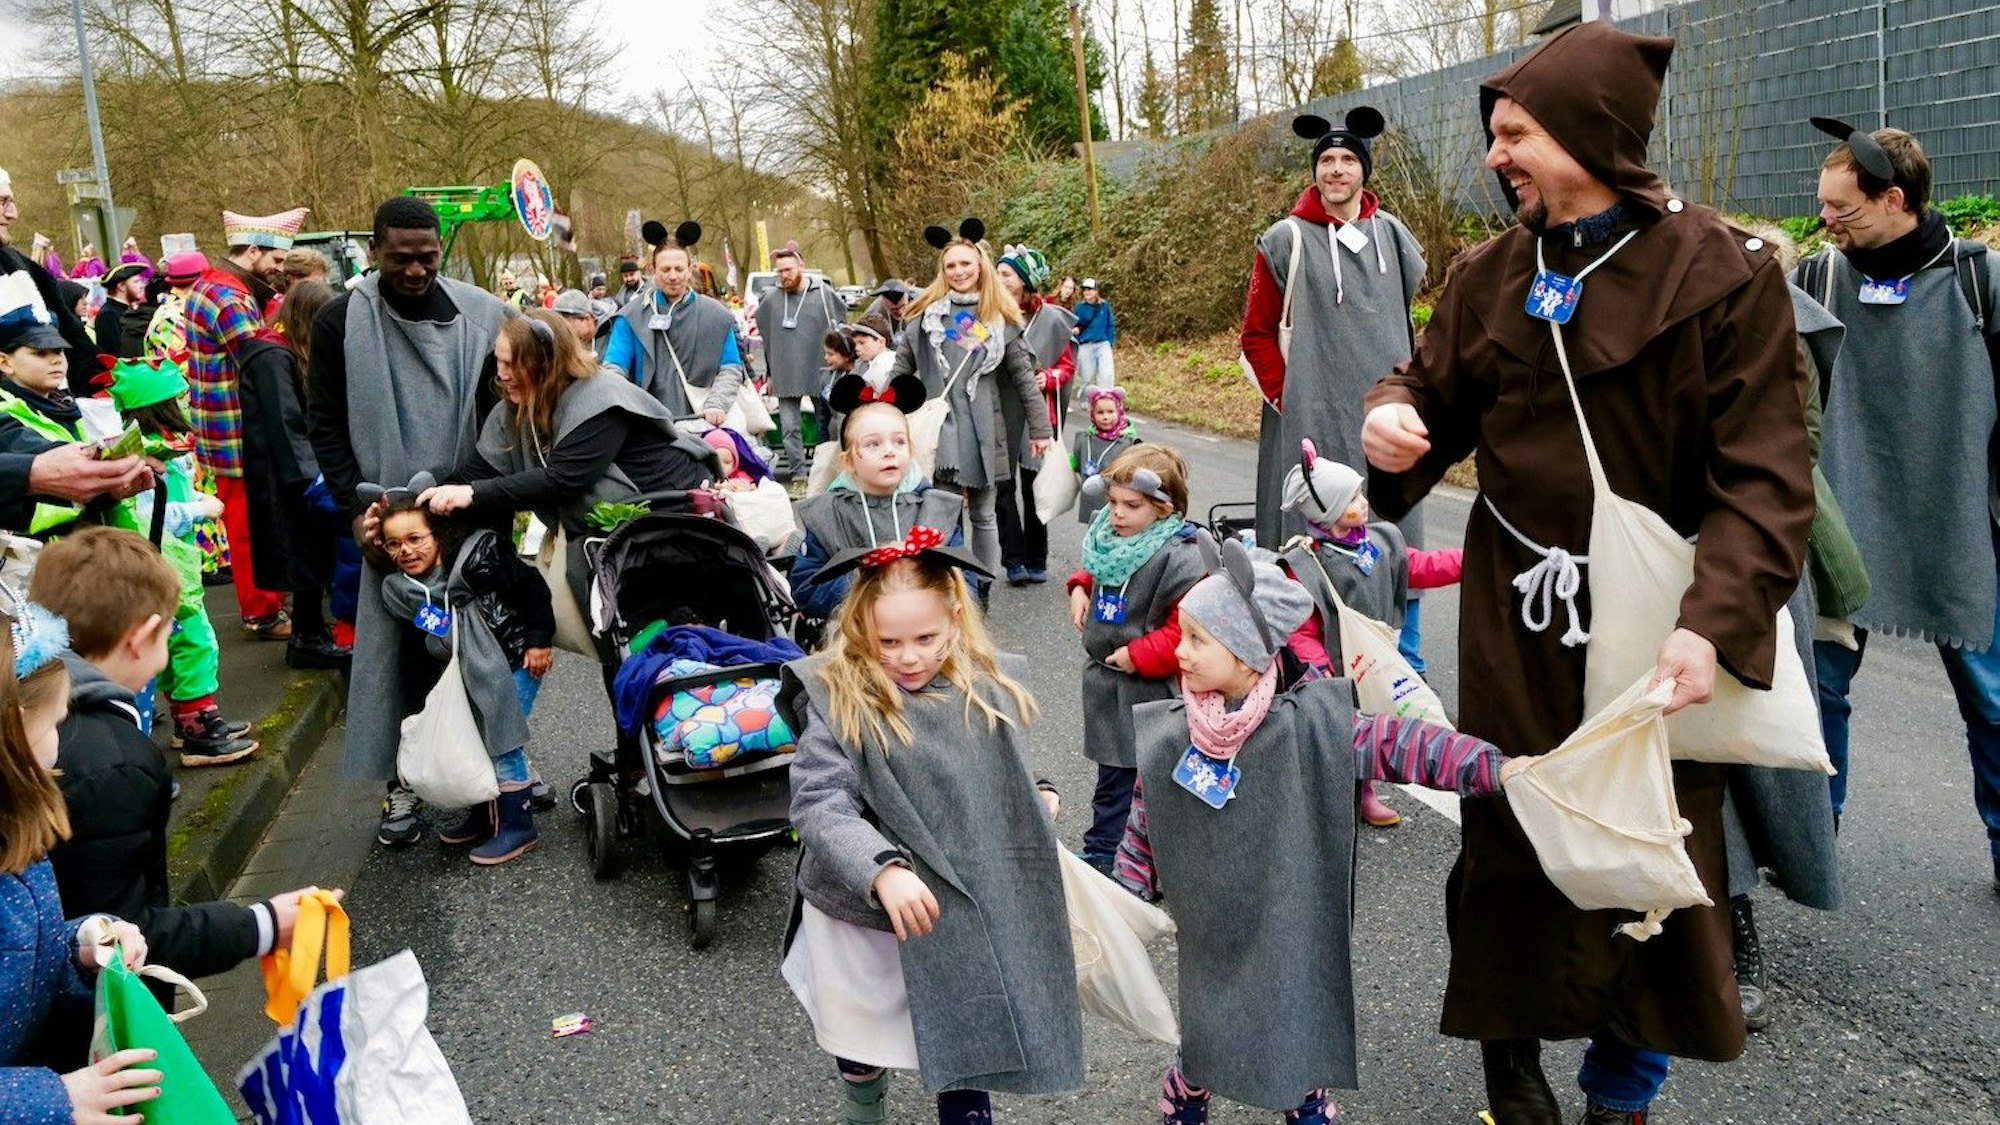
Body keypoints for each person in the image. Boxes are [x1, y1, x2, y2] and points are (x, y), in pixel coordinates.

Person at [1359, 23, 1812, 1123]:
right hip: (1515, 616)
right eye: (1495, 134)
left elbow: (1761, 479)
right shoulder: (1488, 273)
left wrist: (1711, 625)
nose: (1493, 155)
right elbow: (1427, 388)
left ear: (1588, 133)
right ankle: (1506, 1069)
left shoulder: (1722, 275)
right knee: (1512, 840)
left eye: (1513, 132)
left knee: (1652, 851)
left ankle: (1621, 1096)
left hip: (1657, 626)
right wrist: (1395, 422)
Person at [1116, 533, 1522, 1125]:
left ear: (1250, 653)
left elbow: (1406, 745)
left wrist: (1494, 767)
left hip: (1289, 917)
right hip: (1211, 922)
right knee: (1208, 1025)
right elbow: (1145, 816)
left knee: (1290, 1029)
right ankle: (1189, 1089)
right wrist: (1124, 899)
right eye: (1183, 636)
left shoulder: (1316, 723)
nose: (1180, 653)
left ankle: (1305, 1101)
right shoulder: (1175, 729)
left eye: (1198, 640)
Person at [778, 544, 1081, 1125]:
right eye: (887, 643)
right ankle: (864, 1100)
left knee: (971, 1027)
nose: (908, 658)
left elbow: (1002, 760)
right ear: (859, 626)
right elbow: (820, 801)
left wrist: (1035, 791)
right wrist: (881, 869)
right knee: (864, 1035)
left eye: (925, 639)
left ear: (955, 619)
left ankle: (966, 1112)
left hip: (955, 905)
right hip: (863, 910)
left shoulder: (984, 686)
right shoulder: (839, 697)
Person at [1793, 119, 2000, 891]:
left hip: (1960, 528)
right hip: (1842, 533)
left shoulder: (1980, 280)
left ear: (1897, 199)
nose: (1826, 220)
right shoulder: (1815, 280)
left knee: (1994, 700)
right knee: (1819, 698)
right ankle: (1815, 845)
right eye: (1823, 205)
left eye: (1842, 207)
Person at [33, 528, 331, 1058]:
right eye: (171, 630)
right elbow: (120, 938)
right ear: (142, 635)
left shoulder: (55, 714)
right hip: (89, 1050)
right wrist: (259, 924)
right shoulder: (114, 764)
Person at [418, 308, 715, 814]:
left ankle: (687, 741)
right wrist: (417, 498)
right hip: (611, 544)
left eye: (513, 364)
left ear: (547, 361)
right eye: (498, 364)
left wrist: (468, 494)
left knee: (661, 642)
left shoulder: (600, 400)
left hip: (667, 535)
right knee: (618, 646)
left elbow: (562, 481)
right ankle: (639, 755)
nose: (503, 376)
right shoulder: (518, 410)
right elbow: (473, 471)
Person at [308, 195, 514, 848]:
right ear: (374, 252)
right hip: (389, 525)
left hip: (467, 510)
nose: (418, 271)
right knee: (397, 656)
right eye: (402, 259)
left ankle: (488, 768)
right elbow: (326, 425)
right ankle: (405, 781)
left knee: (477, 647)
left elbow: (502, 417)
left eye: (428, 257)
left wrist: (476, 496)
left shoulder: (483, 316)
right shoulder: (341, 321)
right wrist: (356, 511)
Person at [1240, 110, 1432, 673]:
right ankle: (1308, 666)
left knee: (1396, 532)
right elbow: (1255, 335)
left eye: (1348, 159)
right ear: (1314, 170)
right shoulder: (1284, 239)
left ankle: (1404, 663)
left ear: (1364, 171)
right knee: (1308, 538)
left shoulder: (1392, 236)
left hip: (1386, 418)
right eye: (1327, 159)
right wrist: (1289, 399)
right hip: (1310, 418)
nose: (1337, 169)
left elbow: (1408, 321)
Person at [0, 593, 164, 1125]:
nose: (62, 746)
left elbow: (16, 962)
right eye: (55, 725)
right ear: (13, 732)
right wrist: (50, 1100)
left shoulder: (15, 826)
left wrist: (82, 945)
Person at [1278, 441, 1464, 828]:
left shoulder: (1380, 542)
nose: (1363, 503)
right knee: (1341, 734)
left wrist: (1468, 560)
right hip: (1335, 669)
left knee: (1374, 726)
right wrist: (1319, 669)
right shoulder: (1306, 564)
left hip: (1376, 659)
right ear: (1327, 513)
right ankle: (1339, 796)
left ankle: (1363, 790)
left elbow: (1421, 567)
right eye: (1351, 499)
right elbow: (1302, 628)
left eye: (1360, 494)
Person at [98, 356, 261, 764]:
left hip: (169, 563)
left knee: (170, 642)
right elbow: (152, 515)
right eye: (181, 397)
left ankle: (187, 716)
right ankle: (199, 728)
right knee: (195, 641)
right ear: (161, 406)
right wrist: (198, 510)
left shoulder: (159, 452)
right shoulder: (149, 462)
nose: (188, 404)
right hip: (167, 566)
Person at [375, 490, 551, 864]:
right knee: (476, 738)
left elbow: (532, 587)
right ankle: (484, 816)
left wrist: (537, 640)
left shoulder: (479, 557)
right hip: (471, 668)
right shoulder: (407, 590)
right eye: (394, 544)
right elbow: (436, 633)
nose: (405, 550)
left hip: (515, 658)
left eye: (415, 538)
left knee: (501, 741)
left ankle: (518, 826)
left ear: (437, 534)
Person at [1064, 445, 1203, 876]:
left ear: (1163, 509)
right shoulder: (1114, 538)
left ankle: (1150, 860)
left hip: (1149, 689)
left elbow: (1187, 629)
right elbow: (1098, 566)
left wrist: (1140, 653)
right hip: (1107, 683)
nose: (1117, 514)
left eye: (1132, 505)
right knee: (1112, 773)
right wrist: (1079, 587)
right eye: (1112, 502)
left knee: (1147, 778)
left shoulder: (1179, 557)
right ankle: (1105, 847)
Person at [888, 226, 1052, 577]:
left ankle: (982, 586)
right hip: (940, 430)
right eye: (951, 266)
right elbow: (901, 372)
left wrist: (1041, 430)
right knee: (942, 512)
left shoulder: (1000, 319)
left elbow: (1024, 378)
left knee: (984, 514)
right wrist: (881, 413)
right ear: (941, 271)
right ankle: (947, 586)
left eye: (966, 263)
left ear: (980, 266)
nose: (959, 271)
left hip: (985, 428)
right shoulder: (924, 317)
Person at [184, 206, 308, 641]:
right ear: (252, 250)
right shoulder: (229, 298)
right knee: (247, 525)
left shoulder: (215, 286)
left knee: (251, 520)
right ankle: (261, 612)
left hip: (224, 428)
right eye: (275, 260)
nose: (279, 270)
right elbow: (261, 359)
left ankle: (267, 601)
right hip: (235, 431)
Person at [790, 374, 966, 626]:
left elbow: (965, 582)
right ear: (848, 461)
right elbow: (806, 587)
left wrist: (924, 582)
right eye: (873, 444)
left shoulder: (938, 510)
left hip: (925, 640)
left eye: (899, 441)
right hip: (854, 638)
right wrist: (868, 580)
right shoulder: (827, 515)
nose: (889, 451)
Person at [238, 281, 348, 670]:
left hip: (293, 471)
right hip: (284, 476)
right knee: (302, 553)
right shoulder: (271, 356)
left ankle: (312, 632)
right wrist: (311, 480)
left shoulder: (279, 352)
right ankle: (306, 638)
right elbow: (285, 423)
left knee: (311, 553)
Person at [0, 271, 156, 533]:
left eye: (59, 351)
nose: (56, 360)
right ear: (5, 362)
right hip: (39, 553)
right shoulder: (6, 407)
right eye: (40, 353)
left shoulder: (66, 405)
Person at [993, 244, 1075, 587]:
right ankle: (1012, 560)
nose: (998, 279)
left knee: (1032, 482)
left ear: (1024, 281)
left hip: (1035, 410)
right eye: (996, 273)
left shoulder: (1052, 318)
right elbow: (964, 351)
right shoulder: (988, 315)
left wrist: (1049, 377)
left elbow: (1067, 365)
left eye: (1006, 274)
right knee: (1001, 484)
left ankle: (1036, 557)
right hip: (997, 407)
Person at [605, 234, 746, 426]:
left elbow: (730, 367)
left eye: (679, 269)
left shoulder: (716, 316)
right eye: (665, 269)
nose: (673, 276)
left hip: (704, 421)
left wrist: (717, 404)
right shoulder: (630, 317)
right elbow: (614, 368)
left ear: (690, 270)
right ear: (653, 270)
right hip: (648, 426)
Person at [0, 170, 99, 398]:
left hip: (47, 414)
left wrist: (103, 380)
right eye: (3, 201)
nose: (13, 214)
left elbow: (72, 336)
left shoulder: (23, 268)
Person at [756, 246, 848, 482]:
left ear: (801, 268)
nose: (783, 275)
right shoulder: (770, 299)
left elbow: (842, 328)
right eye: (779, 271)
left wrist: (842, 364)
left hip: (820, 367)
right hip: (785, 370)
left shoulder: (824, 295)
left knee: (825, 423)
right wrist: (769, 372)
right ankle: (798, 475)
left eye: (788, 270)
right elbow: (766, 339)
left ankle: (824, 472)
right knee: (789, 427)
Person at [1071, 386, 1140, 526]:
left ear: (1119, 411)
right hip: (1091, 497)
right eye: (1100, 412)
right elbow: (1076, 463)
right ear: (1092, 414)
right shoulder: (1085, 439)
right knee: (1094, 528)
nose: (1105, 417)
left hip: (1117, 499)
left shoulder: (1127, 442)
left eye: (1110, 412)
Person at [92, 263, 147, 361]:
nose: (142, 285)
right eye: (136, 282)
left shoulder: (128, 310)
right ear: (121, 286)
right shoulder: (108, 315)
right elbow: (113, 354)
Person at [1071, 278, 1116, 391]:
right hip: (1086, 345)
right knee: (1086, 378)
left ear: (1096, 291)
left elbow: (1110, 324)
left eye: (1090, 289)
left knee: (1107, 374)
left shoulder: (1104, 306)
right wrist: (1077, 336)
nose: (1087, 292)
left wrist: (1109, 342)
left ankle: (1106, 400)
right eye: (1085, 290)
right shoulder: (1079, 307)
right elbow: (1075, 325)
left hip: (1102, 344)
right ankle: (1086, 400)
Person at [861, 279, 914, 347]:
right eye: (894, 310)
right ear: (883, 304)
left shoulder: (920, 300)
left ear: (907, 297)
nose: (900, 312)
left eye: (903, 306)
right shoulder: (875, 311)